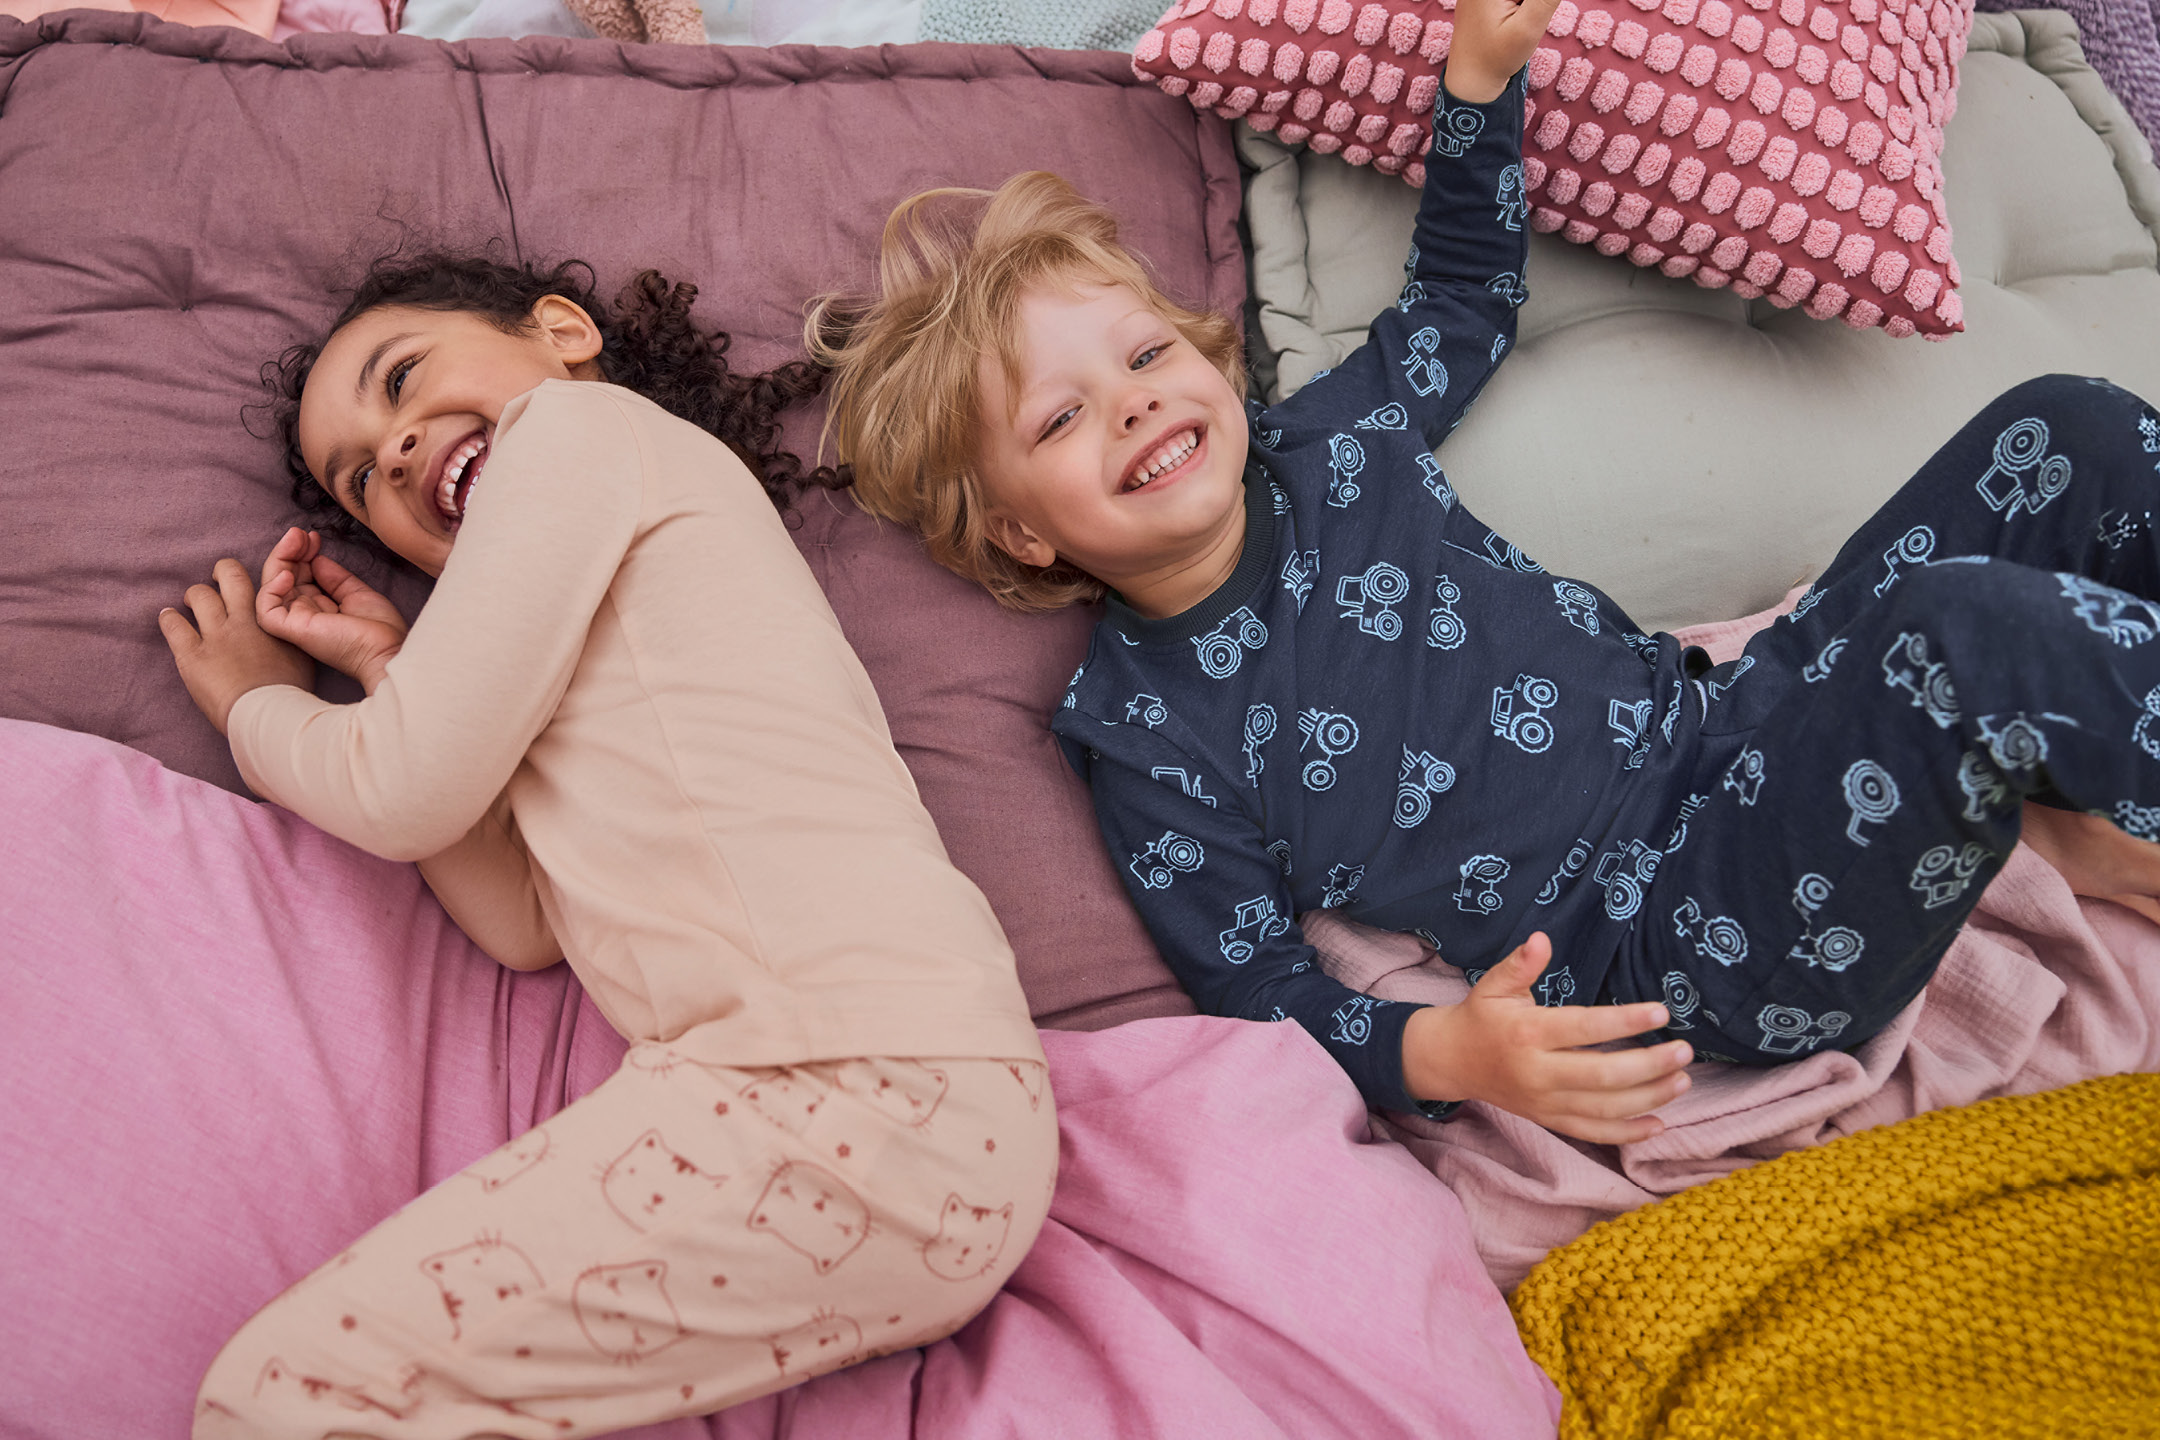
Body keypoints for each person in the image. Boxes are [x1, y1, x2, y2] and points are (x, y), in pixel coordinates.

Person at [812, 0, 2160, 1147]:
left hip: (1745, 718)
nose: (1129, 406)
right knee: (1963, 638)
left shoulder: (1335, 445)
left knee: (2072, 429)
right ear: (1020, 536)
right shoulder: (1146, 744)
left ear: (1204, 363)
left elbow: (1462, 297)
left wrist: (1478, 83)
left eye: (1146, 357)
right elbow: (1257, 989)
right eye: (1058, 419)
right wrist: (1447, 1056)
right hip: (1695, 943)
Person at [159, 255, 1055, 1439]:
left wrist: (253, 710)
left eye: (404, 379)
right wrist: (390, 669)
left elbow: (405, 792)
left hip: (853, 1083)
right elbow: (525, 925)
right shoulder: (596, 606)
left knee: (292, 1394)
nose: (400, 450)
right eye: (362, 477)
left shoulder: (575, 432)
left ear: (563, 332)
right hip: (875, 1108)